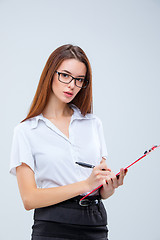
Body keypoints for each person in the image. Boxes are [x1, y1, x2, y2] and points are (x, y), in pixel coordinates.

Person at [9, 44, 127, 240]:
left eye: (79, 79)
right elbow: (29, 199)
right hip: (53, 226)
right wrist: (85, 184)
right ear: (50, 74)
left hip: (95, 224)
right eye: (65, 75)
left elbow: (100, 188)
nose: (72, 85)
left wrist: (108, 187)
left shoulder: (93, 123)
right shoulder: (26, 131)